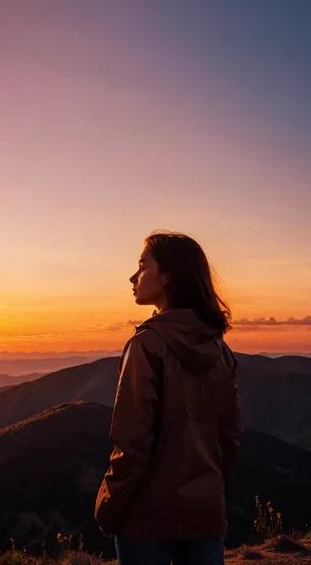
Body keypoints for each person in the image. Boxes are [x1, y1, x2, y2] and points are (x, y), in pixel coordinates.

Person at [95, 231, 243, 565]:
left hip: (148, 521)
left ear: (167, 276)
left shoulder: (147, 344)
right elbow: (230, 436)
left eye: (142, 266)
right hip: (205, 515)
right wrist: (206, 487)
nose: (133, 277)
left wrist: (108, 506)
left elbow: (132, 443)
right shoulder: (218, 348)